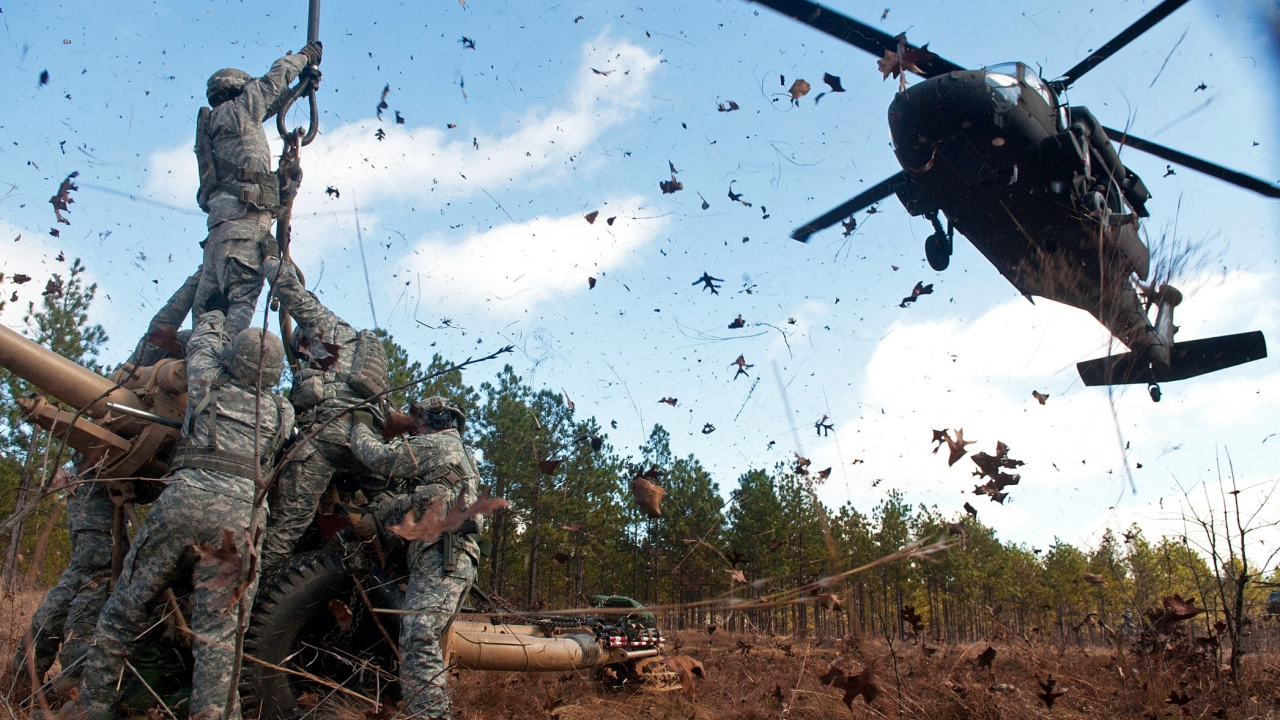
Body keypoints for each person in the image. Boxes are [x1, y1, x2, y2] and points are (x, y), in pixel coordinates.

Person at [73, 308, 294, 720]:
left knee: (125, 610)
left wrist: (212, 314)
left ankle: (93, 708)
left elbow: (203, 345)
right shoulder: (284, 412)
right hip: (241, 518)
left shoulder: (207, 379)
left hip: (186, 500)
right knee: (220, 636)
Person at [12, 272, 201, 691]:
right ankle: (57, 673)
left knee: (95, 572)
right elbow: (165, 322)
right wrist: (198, 279)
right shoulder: (158, 357)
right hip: (96, 478)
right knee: (96, 571)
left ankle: (33, 672)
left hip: (121, 479)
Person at [348, 397, 482, 719]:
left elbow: (380, 458)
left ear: (436, 421)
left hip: (444, 555)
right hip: (452, 557)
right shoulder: (461, 456)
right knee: (424, 641)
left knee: (419, 637)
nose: (415, 426)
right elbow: (423, 498)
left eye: (419, 420)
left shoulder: (438, 445)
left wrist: (358, 427)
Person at [257, 255, 390, 574]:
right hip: (366, 443)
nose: (304, 355)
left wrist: (269, 259)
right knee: (395, 508)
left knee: (282, 534)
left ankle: (256, 594)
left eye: (303, 348)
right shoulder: (359, 349)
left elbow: (290, 290)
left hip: (323, 439)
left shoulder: (322, 322)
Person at [192, 42, 321, 337]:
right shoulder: (240, 111)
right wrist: (303, 59)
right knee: (238, 315)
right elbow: (271, 83)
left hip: (217, 240)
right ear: (239, 90)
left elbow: (271, 102)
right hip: (245, 233)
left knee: (206, 323)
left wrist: (301, 86)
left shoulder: (215, 124)